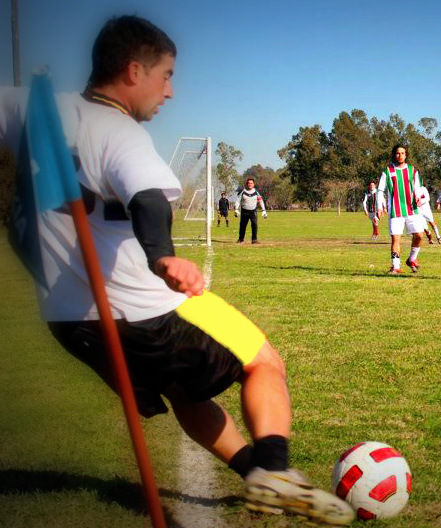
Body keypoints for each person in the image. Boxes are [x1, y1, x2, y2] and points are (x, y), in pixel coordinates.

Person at [0, 16, 353, 525]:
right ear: (133, 70)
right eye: (165, 75)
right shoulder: (119, 133)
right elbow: (146, 199)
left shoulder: (34, 110)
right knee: (263, 363)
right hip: (145, 308)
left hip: (71, 323)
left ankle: (255, 473)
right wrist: (162, 257)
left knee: (185, 391)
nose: (170, 90)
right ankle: (275, 471)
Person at [377, 144, 426, 274]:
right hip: (395, 210)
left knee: (419, 236)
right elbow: (381, 189)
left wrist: (419, 197)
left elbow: (418, 187)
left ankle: (412, 259)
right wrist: (380, 205)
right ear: (394, 154)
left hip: (412, 209)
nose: (400, 155)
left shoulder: (412, 170)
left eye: (403, 153)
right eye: (398, 153)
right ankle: (396, 266)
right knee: (396, 239)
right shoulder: (387, 171)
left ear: (406, 155)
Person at [235, 177, 267, 244]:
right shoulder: (243, 191)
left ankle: (254, 240)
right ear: (247, 184)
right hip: (244, 211)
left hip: (253, 211)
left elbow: (260, 201)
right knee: (242, 226)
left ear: (253, 184)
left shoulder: (256, 192)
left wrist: (263, 210)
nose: (250, 184)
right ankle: (241, 239)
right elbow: (238, 200)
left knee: (254, 225)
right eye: (249, 183)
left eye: (251, 183)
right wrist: (236, 209)